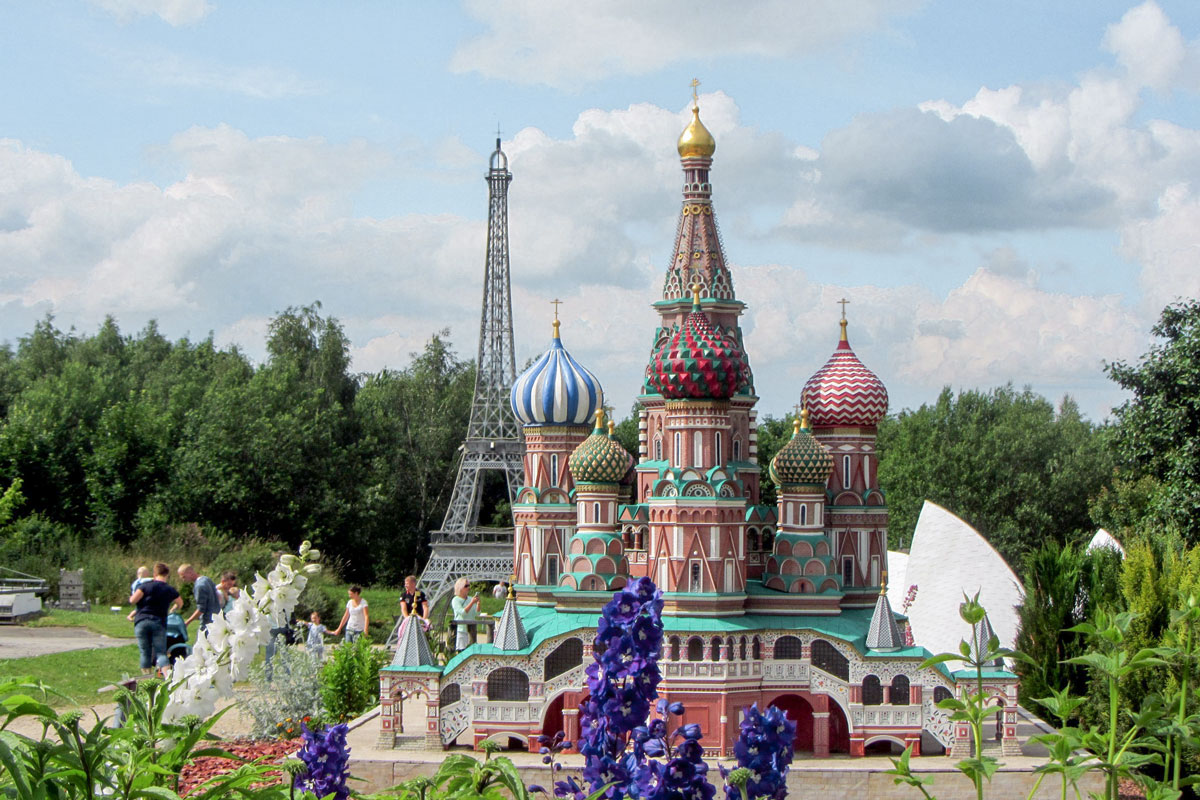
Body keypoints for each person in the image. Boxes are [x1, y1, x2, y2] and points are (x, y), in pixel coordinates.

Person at [130, 563, 182, 674]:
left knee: (145, 652)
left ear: (154, 574)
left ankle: (147, 679)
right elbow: (180, 603)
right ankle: (167, 678)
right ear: (167, 574)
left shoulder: (145, 586)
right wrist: (172, 608)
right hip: (159, 622)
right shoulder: (169, 589)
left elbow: (133, 600)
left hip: (141, 621)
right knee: (161, 653)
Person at [178, 563, 221, 632]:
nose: (184, 580)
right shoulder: (207, 579)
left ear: (190, 573)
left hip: (207, 622)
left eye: (184, 577)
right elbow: (219, 596)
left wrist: (187, 622)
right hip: (218, 618)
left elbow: (201, 609)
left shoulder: (199, 586)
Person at [450, 578, 479, 651]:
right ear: (460, 587)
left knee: (472, 650)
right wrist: (472, 603)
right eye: (466, 586)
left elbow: (477, 613)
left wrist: (478, 604)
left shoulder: (470, 598)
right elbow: (462, 613)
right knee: (461, 649)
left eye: (469, 585)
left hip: (471, 628)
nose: (468, 588)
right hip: (461, 629)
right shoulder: (455, 600)